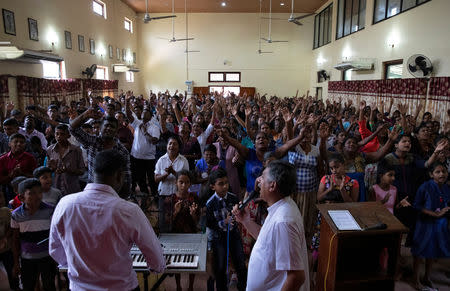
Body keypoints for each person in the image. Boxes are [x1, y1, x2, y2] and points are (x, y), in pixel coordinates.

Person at [49, 149, 165, 291]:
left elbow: (55, 249)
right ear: (119, 175)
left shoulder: (65, 204)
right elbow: (156, 258)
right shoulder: (129, 211)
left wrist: (77, 264)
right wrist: (156, 269)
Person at [233, 160, 309, 291]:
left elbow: (296, 276)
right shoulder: (280, 206)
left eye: (263, 177)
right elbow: (266, 239)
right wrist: (245, 220)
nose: (258, 180)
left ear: (272, 186)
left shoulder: (283, 221)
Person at [69, 107, 132, 196]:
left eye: (112, 126)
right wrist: (85, 115)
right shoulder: (92, 142)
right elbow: (72, 128)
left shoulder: (122, 151)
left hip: (112, 193)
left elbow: (126, 176)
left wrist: (124, 197)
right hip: (92, 191)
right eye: (106, 125)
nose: (109, 128)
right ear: (101, 127)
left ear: (116, 130)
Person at [11, 178, 56, 291]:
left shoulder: (50, 211)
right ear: (21, 197)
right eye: (32, 193)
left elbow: (56, 235)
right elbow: (15, 239)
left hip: (47, 257)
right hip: (27, 259)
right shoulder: (16, 215)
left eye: (40, 192)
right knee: (28, 286)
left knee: (49, 286)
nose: (38, 196)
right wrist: (16, 263)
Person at [206, 168, 247, 291]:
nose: (225, 186)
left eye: (226, 183)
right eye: (221, 184)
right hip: (219, 238)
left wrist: (240, 212)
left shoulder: (233, 198)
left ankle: (243, 287)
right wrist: (223, 222)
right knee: (221, 267)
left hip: (233, 235)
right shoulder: (210, 203)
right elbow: (209, 223)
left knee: (240, 263)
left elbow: (238, 215)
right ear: (213, 187)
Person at [411, 162, 450, 290]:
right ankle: (415, 279)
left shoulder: (446, 188)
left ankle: (427, 277)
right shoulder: (425, 187)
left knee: (432, 250)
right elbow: (416, 205)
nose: (442, 174)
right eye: (438, 172)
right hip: (424, 223)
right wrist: (435, 214)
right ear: (431, 174)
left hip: (439, 225)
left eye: (444, 171)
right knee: (419, 250)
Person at [163, 170, 199, 291]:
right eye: (181, 182)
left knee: (193, 260)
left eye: (187, 182)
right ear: (176, 183)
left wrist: (193, 214)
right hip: (176, 233)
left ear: (190, 184)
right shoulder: (170, 199)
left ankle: (191, 286)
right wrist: (175, 212)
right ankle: (178, 285)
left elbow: (197, 221)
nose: (184, 185)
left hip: (191, 233)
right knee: (177, 261)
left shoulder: (194, 197)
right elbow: (166, 222)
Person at [126, 99, 160, 196]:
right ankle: (145, 197)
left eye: (146, 112)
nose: (143, 113)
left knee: (151, 179)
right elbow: (128, 115)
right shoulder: (137, 123)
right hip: (136, 157)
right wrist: (127, 103)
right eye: (143, 112)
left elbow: (154, 141)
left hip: (149, 158)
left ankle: (154, 196)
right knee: (140, 179)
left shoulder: (154, 127)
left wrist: (145, 132)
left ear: (150, 116)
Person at [46, 124, 85, 195]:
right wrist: (52, 169)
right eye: (57, 134)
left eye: (62, 134)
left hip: (72, 189)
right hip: (56, 189)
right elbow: (47, 172)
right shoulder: (50, 150)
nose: (59, 136)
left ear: (68, 136)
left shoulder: (76, 150)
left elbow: (82, 171)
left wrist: (68, 170)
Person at [0, 134, 37, 203]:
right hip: (8, 191)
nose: (19, 144)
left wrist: (22, 173)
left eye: (22, 142)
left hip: (27, 191)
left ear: (25, 144)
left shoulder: (30, 158)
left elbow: (35, 177)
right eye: (16, 142)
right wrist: (10, 175)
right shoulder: (2, 159)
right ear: (9, 144)